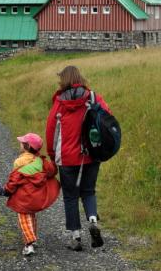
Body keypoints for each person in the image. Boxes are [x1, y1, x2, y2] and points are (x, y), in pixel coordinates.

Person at [45, 66, 110, 251]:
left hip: (66, 159)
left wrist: (51, 155)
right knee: (89, 191)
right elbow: (107, 119)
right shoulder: (93, 98)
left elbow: (51, 132)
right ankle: (92, 220)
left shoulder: (59, 103)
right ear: (80, 78)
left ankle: (76, 237)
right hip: (91, 155)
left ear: (63, 80)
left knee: (71, 197)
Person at [3, 133, 60, 256]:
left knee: (23, 217)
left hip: (24, 197)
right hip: (36, 196)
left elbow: (14, 179)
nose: (20, 144)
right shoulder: (41, 161)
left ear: (26, 146)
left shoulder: (19, 162)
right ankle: (32, 238)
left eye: (22, 142)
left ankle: (29, 243)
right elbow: (51, 172)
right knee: (31, 216)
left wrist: (7, 190)